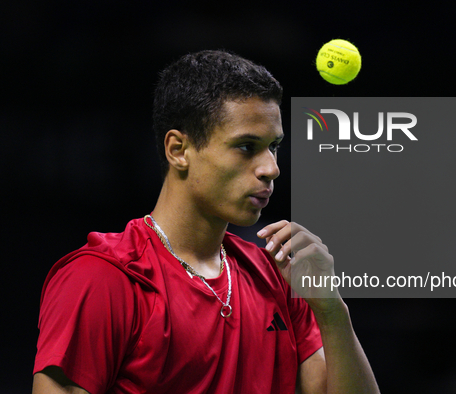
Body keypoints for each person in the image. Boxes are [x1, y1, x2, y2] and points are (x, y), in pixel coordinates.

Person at [32, 50, 380, 394]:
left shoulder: (280, 278)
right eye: (246, 146)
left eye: (274, 146)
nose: (271, 168)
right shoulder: (105, 278)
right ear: (178, 150)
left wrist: (331, 308)